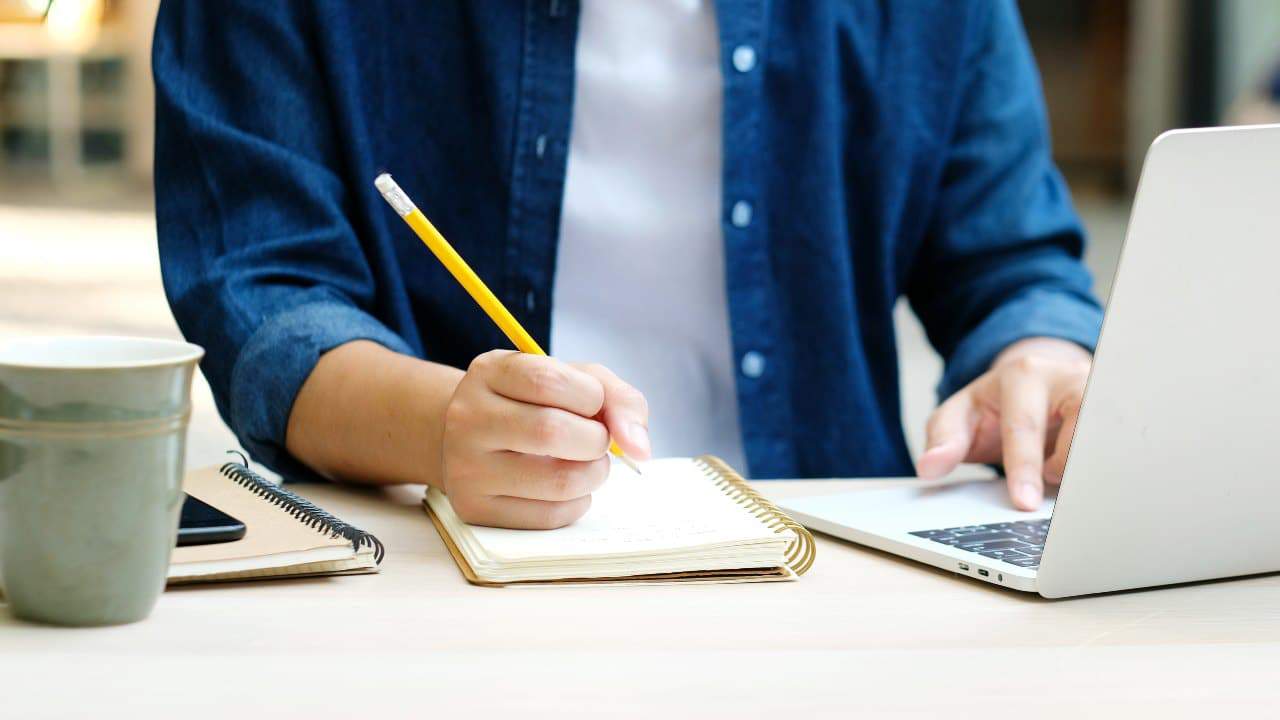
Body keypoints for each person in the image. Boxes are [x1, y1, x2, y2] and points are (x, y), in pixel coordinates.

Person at [153, 1, 1102, 529]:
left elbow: (1013, 259)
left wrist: (1044, 361)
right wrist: (442, 428)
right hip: (448, 563)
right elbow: (265, 299)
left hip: (829, 564)